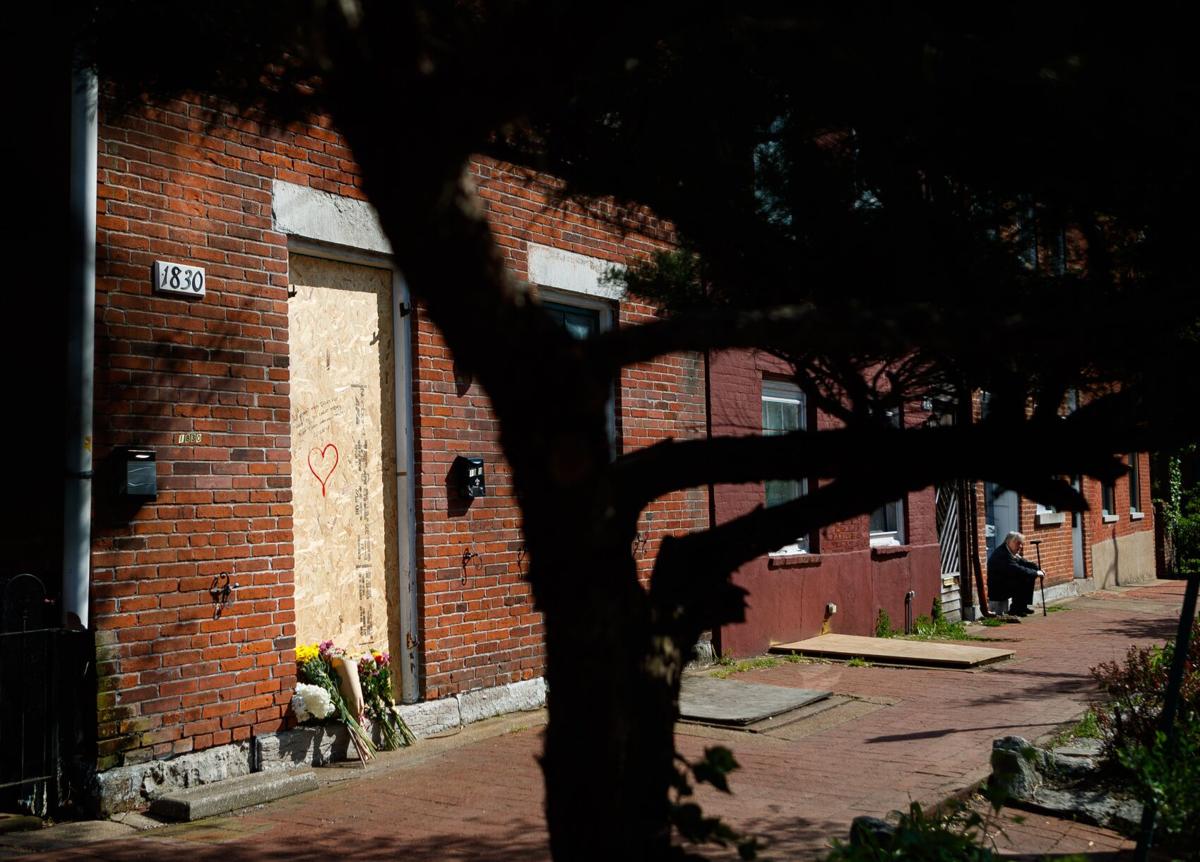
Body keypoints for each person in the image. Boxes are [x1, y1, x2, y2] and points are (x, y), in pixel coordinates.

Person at [986, 531, 1044, 616]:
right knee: (1026, 575)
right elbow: (1016, 569)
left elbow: (1024, 562)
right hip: (999, 587)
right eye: (1018, 544)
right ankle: (1016, 609)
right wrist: (1036, 573)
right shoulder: (1003, 554)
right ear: (1010, 542)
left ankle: (1021, 606)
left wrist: (1038, 569)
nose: (1020, 546)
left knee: (1029, 575)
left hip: (1006, 581)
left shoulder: (1009, 550)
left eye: (1021, 544)